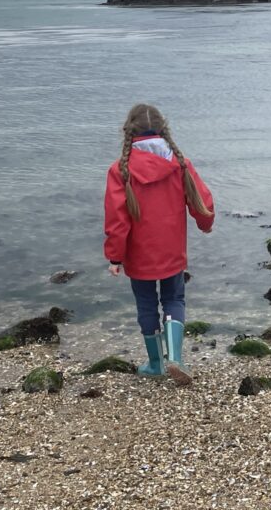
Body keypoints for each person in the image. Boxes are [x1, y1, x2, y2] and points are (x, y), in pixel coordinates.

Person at [103, 103, 214, 386]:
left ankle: (155, 364)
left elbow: (117, 220)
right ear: (164, 129)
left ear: (128, 132)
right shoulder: (179, 163)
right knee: (174, 299)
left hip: (139, 256)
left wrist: (115, 258)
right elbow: (202, 200)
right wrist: (205, 224)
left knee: (146, 304)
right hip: (172, 251)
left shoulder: (121, 170)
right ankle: (176, 357)